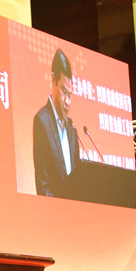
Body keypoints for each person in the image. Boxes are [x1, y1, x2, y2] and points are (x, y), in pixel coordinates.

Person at [33, 48, 80, 197]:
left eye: (70, 95)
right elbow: (43, 185)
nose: (68, 102)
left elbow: (78, 177)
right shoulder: (42, 121)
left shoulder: (71, 129)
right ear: (53, 80)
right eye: (64, 92)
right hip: (54, 209)